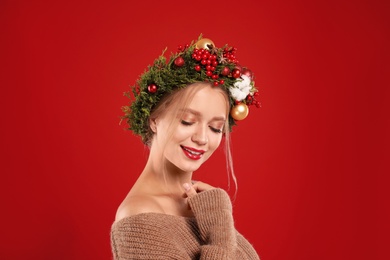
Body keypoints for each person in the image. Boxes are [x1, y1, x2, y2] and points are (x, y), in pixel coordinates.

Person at [111, 35, 261, 259]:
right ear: (154, 119)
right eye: (187, 121)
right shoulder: (138, 217)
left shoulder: (204, 205)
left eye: (215, 128)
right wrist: (219, 233)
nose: (202, 138)